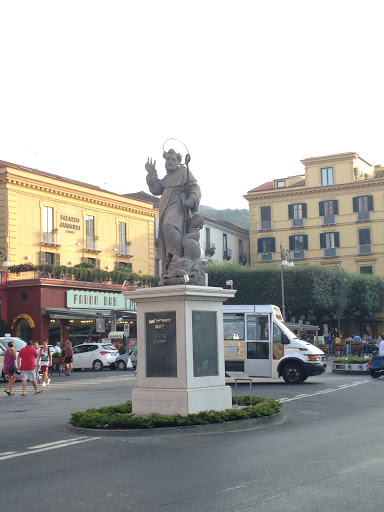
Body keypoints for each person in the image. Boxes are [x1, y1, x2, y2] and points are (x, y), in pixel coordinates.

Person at [145, 149, 201, 274]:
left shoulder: (184, 172)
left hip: (179, 205)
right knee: (166, 230)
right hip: (165, 206)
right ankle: (171, 259)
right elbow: (156, 189)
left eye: (173, 159)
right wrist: (151, 173)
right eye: (167, 159)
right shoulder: (167, 177)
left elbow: (195, 187)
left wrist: (192, 199)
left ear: (178, 161)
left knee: (168, 224)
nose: (170, 161)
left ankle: (176, 254)